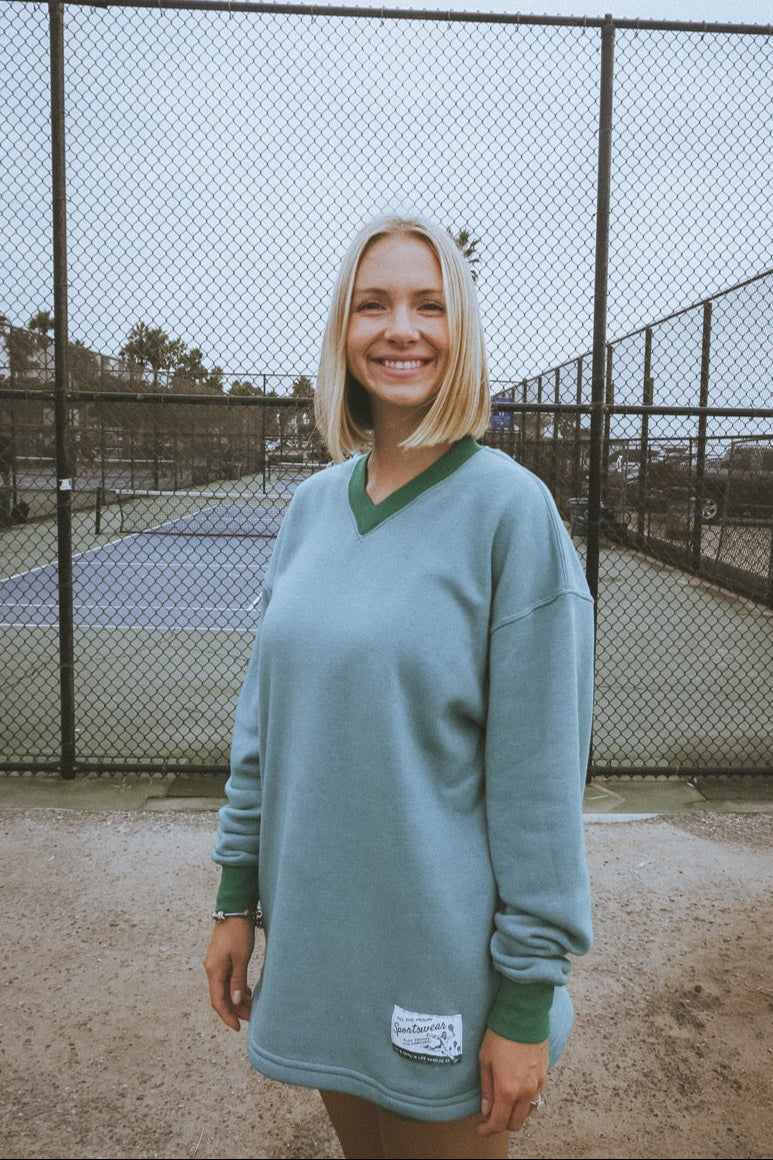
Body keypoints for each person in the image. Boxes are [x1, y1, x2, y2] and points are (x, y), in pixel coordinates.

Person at [204, 215, 594, 1160]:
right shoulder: (307, 511)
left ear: (459, 332)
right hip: (322, 956)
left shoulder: (511, 512)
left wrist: (523, 996)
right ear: (343, 332)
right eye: (371, 304)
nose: (400, 328)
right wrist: (233, 898)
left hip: (443, 968)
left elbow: (540, 785)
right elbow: (264, 725)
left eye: (428, 304)